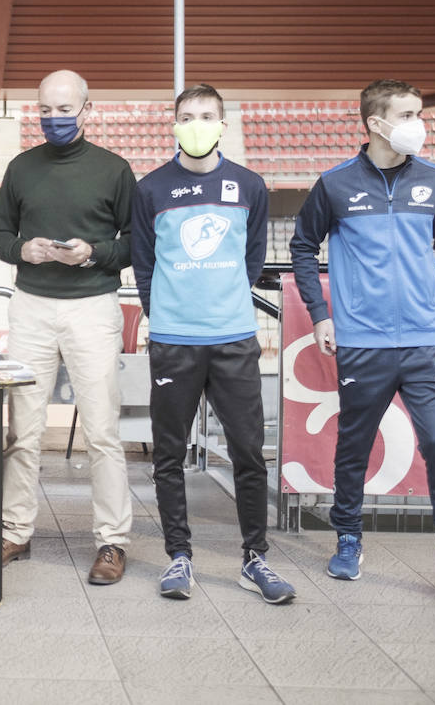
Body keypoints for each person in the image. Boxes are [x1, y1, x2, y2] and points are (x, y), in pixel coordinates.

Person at [290, 78, 435, 606]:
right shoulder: (334, 184)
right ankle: (349, 538)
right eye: (407, 114)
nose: (418, 124)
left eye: (419, 113)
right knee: (354, 446)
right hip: (363, 343)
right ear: (376, 123)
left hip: (426, 342)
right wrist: (320, 314)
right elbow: (303, 247)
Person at [131, 83, 295, 604]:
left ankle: (255, 558)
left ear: (222, 124)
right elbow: (144, 265)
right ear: (174, 124)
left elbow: (251, 259)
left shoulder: (249, 185)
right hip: (175, 341)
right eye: (187, 115)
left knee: (248, 452)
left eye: (206, 115)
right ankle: (179, 555)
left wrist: (222, 304)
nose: (196, 122)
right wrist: (170, 315)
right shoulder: (151, 189)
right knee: (170, 455)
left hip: (233, 339)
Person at [0, 69, 135, 584]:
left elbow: (135, 243)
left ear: (87, 110)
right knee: (21, 432)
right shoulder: (21, 168)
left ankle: (112, 540)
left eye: (64, 110)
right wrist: (21, 249)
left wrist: (94, 253)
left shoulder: (115, 170)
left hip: (92, 307)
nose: (53, 119)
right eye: (45, 110)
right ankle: (14, 530)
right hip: (30, 306)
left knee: (102, 433)